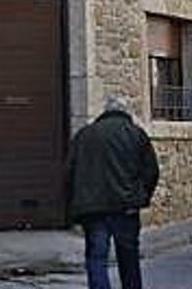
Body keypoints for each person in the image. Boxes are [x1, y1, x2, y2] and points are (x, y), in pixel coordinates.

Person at [66, 96, 160, 289]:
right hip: (126, 208)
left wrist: (75, 202)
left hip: (93, 209)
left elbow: (69, 171)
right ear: (126, 112)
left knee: (96, 258)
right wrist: (141, 197)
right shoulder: (136, 134)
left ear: (105, 111)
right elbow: (151, 171)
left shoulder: (84, 135)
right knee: (129, 259)